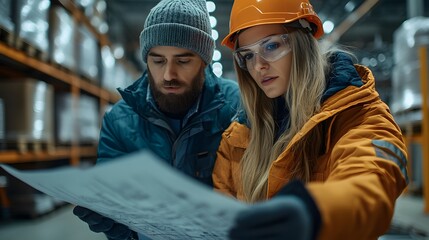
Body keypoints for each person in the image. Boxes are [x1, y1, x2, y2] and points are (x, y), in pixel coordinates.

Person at [212, 0, 409, 239]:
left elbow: (373, 183)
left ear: (302, 42)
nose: (259, 65)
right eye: (248, 56)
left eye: (271, 46)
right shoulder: (238, 137)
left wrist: (314, 213)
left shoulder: (359, 115)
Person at [72, 0, 240, 239]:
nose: (169, 74)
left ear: (204, 61)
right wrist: (116, 226)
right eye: (158, 61)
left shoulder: (237, 108)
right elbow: (115, 204)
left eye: (183, 61)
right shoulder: (119, 121)